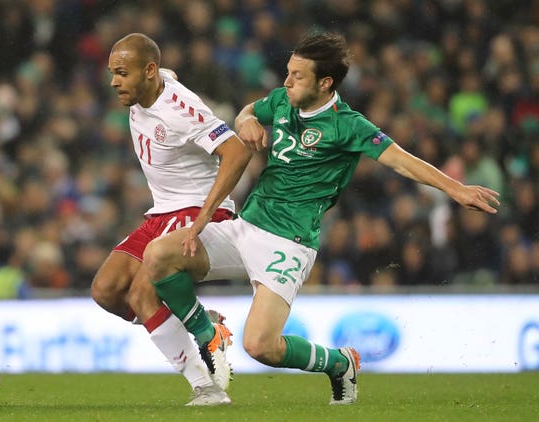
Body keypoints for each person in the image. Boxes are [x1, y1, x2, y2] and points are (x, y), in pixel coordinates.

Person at [127, 32, 500, 405]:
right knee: (158, 255)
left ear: (325, 83)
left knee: (260, 346)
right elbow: (249, 112)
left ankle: (341, 363)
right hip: (245, 227)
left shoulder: (347, 125)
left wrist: (456, 189)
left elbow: (401, 160)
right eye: (287, 73)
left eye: (297, 76)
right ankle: (209, 334)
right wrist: (246, 121)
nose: (286, 82)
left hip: (288, 243)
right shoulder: (282, 101)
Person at [90, 33, 252, 405]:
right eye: (112, 72)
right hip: (161, 210)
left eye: (121, 73)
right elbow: (168, 72)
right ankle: (199, 322)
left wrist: (207, 215)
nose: (114, 81)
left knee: (142, 293)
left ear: (146, 72)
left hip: (195, 209)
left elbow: (236, 151)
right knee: (106, 290)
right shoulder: (152, 82)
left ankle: (206, 387)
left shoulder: (180, 109)